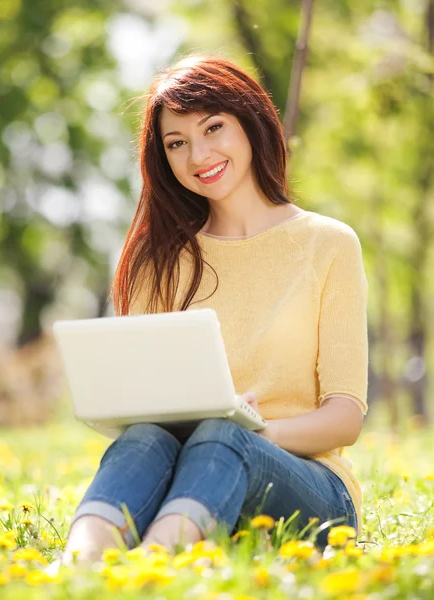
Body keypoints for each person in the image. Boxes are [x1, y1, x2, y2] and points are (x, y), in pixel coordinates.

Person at [61, 54, 368, 564]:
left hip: (312, 495)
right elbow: (145, 410)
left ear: (250, 122)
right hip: (188, 475)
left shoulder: (328, 244)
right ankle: (77, 566)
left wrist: (257, 432)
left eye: (213, 127)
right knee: (142, 438)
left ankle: (153, 570)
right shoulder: (157, 262)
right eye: (176, 143)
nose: (197, 154)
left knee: (225, 435)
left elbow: (345, 419)